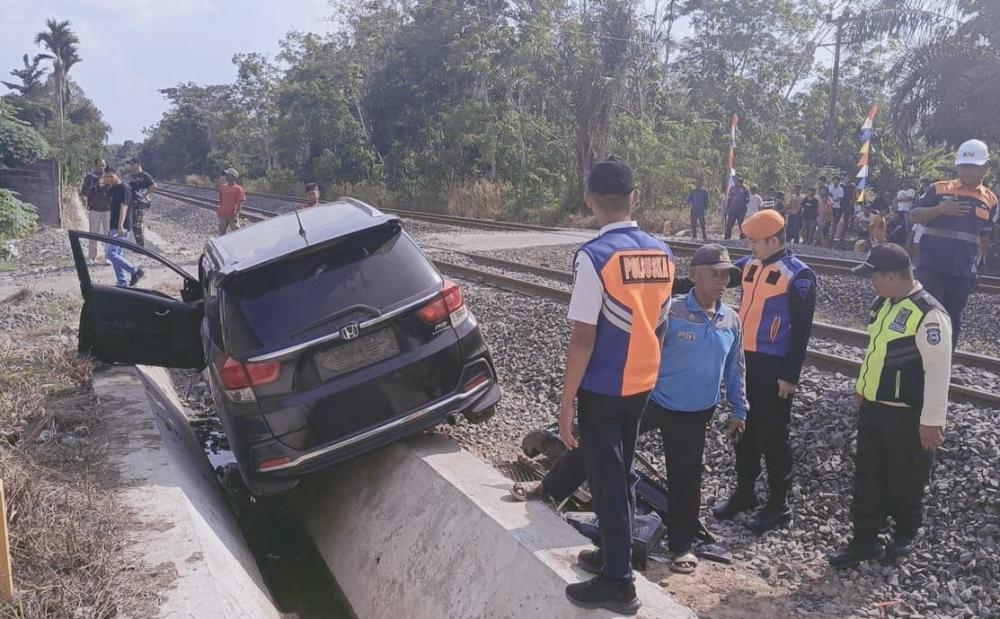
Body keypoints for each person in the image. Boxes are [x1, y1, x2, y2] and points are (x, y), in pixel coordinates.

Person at [512, 244, 748, 575]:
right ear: (694, 276)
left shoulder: (731, 320)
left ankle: (681, 546)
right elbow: (643, 346)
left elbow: (736, 368)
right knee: (599, 444)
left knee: (685, 479)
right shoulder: (673, 312)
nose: (721, 281)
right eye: (714, 274)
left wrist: (740, 408)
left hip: (695, 414)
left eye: (726, 275)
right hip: (654, 400)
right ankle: (550, 487)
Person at [558, 156, 674, 613]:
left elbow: (583, 336)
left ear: (589, 200)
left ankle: (618, 582)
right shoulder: (662, 253)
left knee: (606, 479)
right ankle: (612, 551)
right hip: (642, 382)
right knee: (620, 471)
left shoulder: (594, 257)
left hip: (604, 387)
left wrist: (566, 402)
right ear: (635, 198)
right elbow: (660, 322)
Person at [828, 244, 951, 567]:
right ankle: (864, 539)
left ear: (893, 276)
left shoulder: (929, 314)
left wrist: (932, 421)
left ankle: (904, 535)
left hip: (906, 415)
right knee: (868, 477)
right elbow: (875, 353)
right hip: (874, 409)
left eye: (875, 277)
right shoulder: (885, 304)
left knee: (905, 478)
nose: (872, 283)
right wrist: (861, 389)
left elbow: (938, 373)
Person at [710, 210, 817, 534]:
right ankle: (744, 493)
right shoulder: (750, 265)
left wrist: (790, 376)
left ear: (774, 240)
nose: (751, 246)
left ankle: (777, 504)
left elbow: (801, 332)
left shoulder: (799, 276)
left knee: (773, 436)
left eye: (755, 241)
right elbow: (715, 275)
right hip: (745, 360)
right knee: (744, 430)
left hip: (774, 367)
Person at [909, 139, 998, 346]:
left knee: (952, 318)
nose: (967, 171)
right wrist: (941, 210)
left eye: (973, 167)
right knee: (927, 314)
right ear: (957, 165)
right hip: (931, 266)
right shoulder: (938, 189)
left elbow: (984, 239)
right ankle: (919, 362)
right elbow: (914, 215)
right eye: (964, 166)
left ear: (985, 167)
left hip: (962, 271)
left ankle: (944, 365)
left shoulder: (990, 199)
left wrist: (978, 271)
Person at [104, 170, 144, 288]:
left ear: (118, 174)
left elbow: (124, 206)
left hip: (122, 226)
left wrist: (120, 226)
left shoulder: (124, 188)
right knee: (116, 254)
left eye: (111, 176)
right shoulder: (113, 189)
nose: (109, 179)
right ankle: (121, 282)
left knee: (110, 254)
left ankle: (135, 271)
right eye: (107, 177)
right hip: (113, 225)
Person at [80, 157, 110, 263]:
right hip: (94, 210)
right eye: (100, 165)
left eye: (103, 165)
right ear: (96, 165)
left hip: (108, 210)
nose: (102, 167)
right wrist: (94, 187)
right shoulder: (89, 177)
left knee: (108, 234)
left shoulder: (109, 177)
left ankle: (108, 258)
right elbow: (84, 191)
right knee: (93, 234)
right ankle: (92, 258)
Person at [127, 157, 156, 246]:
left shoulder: (145, 175)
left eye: (132, 164)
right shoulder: (131, 176)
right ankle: (139, 245)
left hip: (141, 203)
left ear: (138, 164)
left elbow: (153, 186)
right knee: (134, 225)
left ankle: (141, 247)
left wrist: (145, 194)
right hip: (132, 203)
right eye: (130, 164)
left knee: (137, 224)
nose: (130, 166)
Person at [217, 168, 246, 235]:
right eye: (226, 175)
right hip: (223, 214)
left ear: (233, 177)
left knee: (236, 232)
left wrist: (237, 215)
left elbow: (240, 203)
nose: (225, 176)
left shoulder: (239, 189)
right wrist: (220, 211)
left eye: (228, 175)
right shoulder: (222, 187)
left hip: (232, 215)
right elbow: (221, 200)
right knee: (221, 232)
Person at [686, 176, 710, 240]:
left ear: (701, 183)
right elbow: (689, 199)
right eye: (696, 182)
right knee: (693, 224)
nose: (697, 183)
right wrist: (685, 204)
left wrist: (706, 209)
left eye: (699, 182)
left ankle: (704, 237)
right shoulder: (693, 191)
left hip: (701, 210)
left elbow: (707, 201)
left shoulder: (704, 191)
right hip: (694, 210)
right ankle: (694, 237)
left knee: (702, 224)